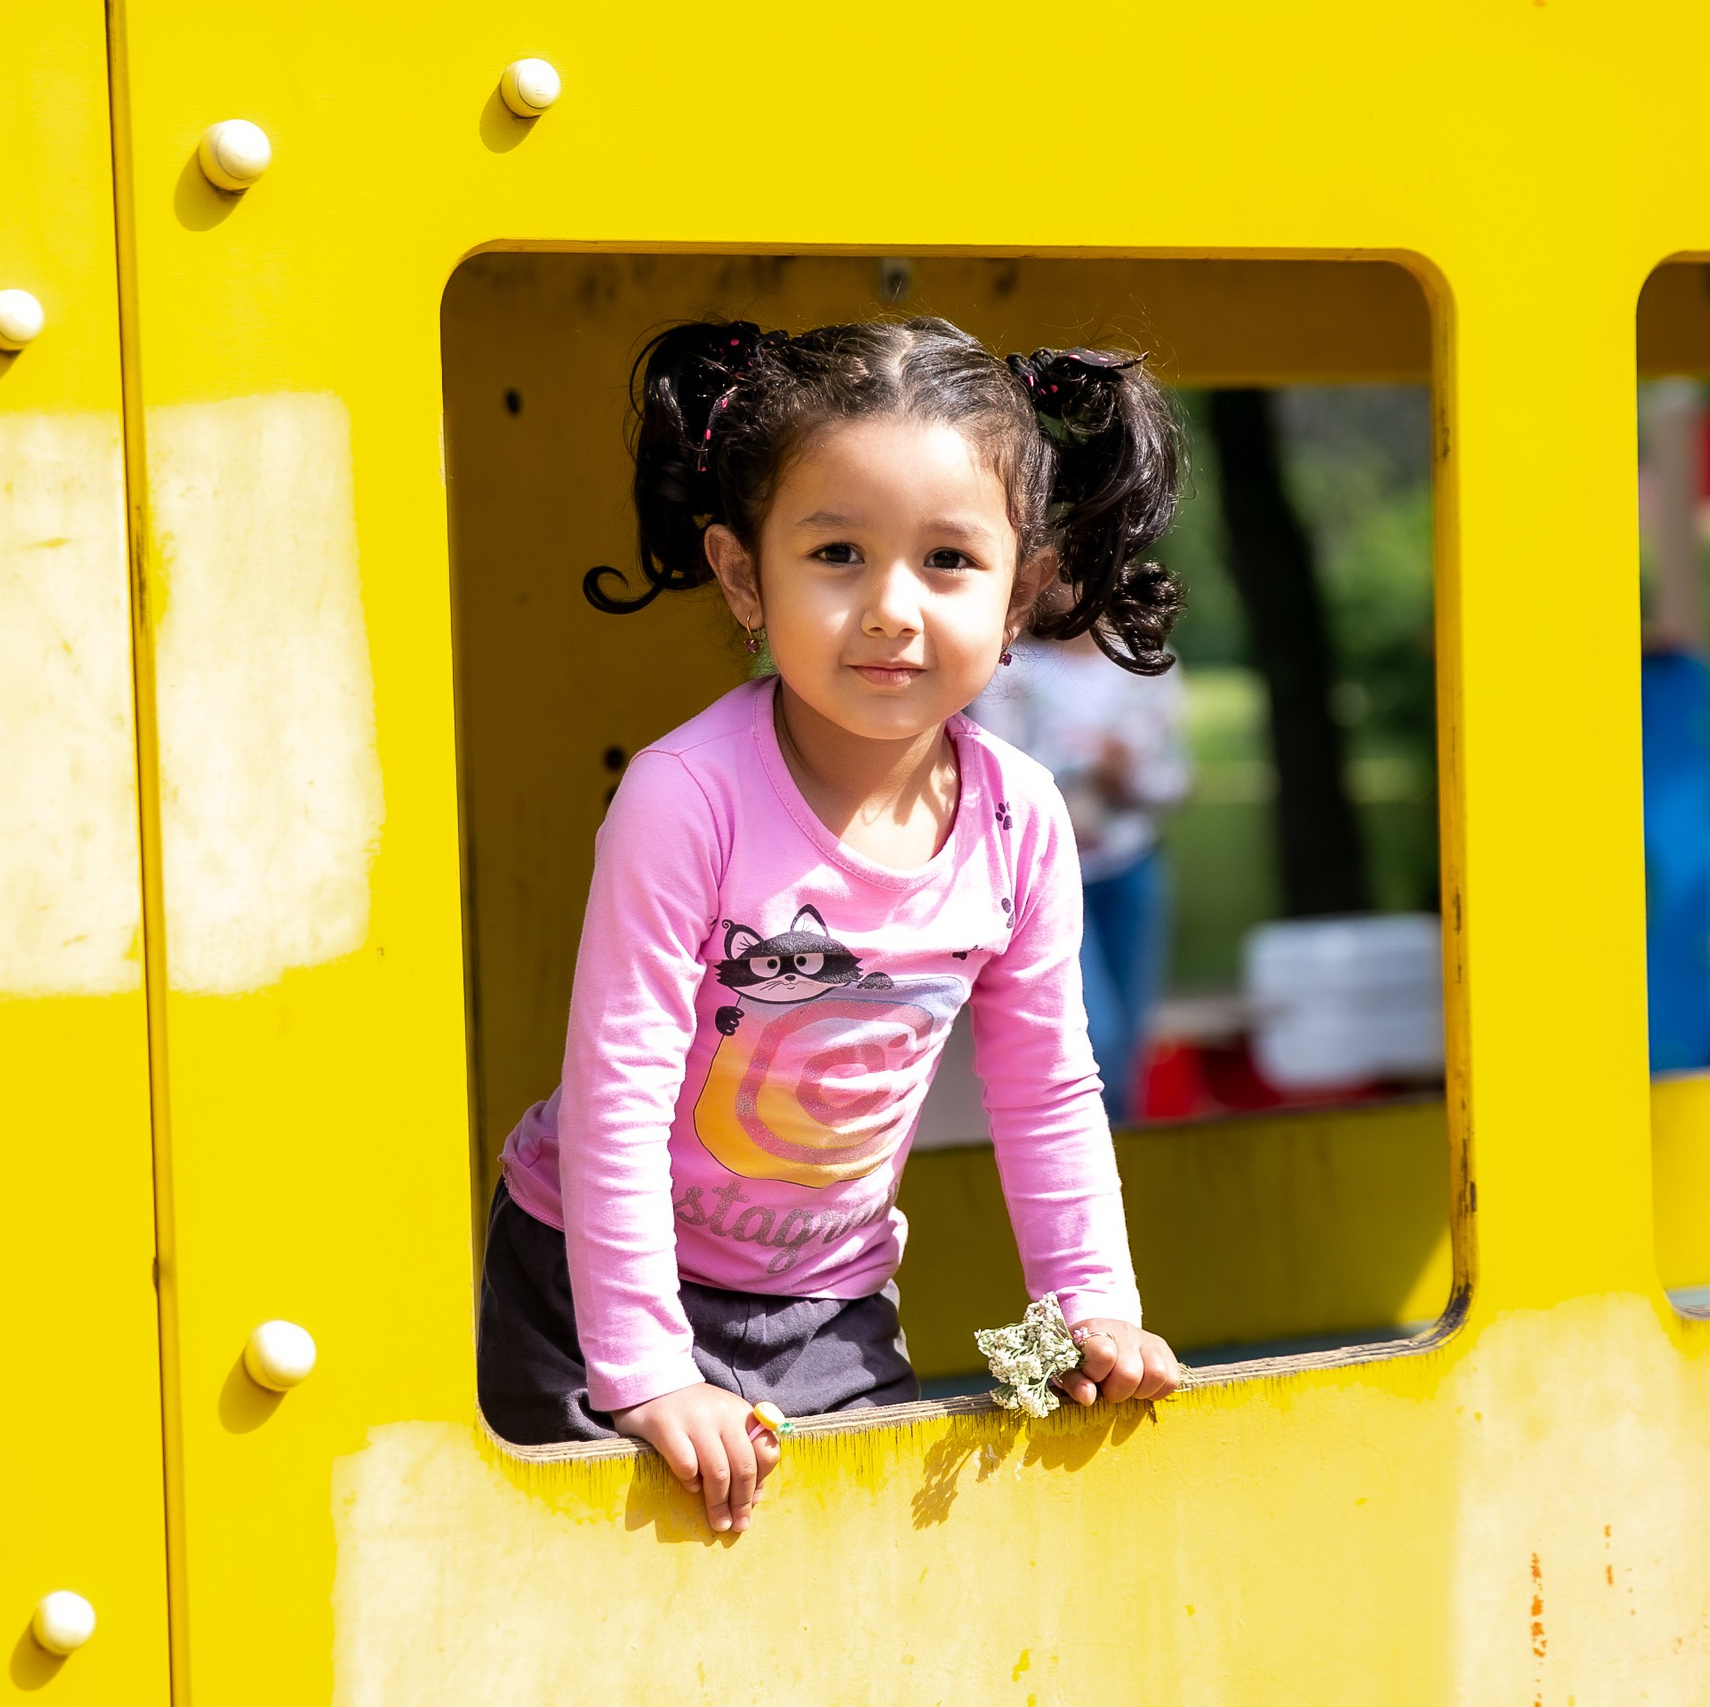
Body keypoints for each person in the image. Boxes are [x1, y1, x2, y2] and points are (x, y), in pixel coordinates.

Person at [478, 319, 1184, 1532]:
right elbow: (617, 1092)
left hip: (829, 1299)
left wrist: (1087, 1305)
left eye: (949, 560)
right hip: (591, 1278)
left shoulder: (1019, 821)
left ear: (1024, 589)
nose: (889, 610)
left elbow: (1046, 1087)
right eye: (839, 553)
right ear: (745, 575)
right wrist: (648, 1373)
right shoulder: (685, 796)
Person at [969, 632, 1189, 1123]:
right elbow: (998, 781)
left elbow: (1176, 779)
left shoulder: (1150, 665)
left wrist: (1131, 777)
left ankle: (1120, 1165)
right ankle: (1075, 1155)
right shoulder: (1010, 667)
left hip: (1134, 865)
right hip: (1047, 880)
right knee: (1095, 1038)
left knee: (1130, 1044)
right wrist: (1082, 764)